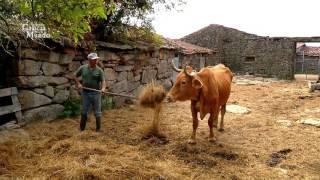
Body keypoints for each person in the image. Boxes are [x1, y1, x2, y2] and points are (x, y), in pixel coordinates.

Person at [74, 52, 106, 132]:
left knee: (97, 112)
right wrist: (79, 84)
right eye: (93, 60)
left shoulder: (99, 70)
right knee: (84, 111)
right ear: (89, 60)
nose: (95, 61)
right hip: (85, 93)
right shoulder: (83, 68)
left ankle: (98, 130)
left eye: (96, 59)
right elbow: (75, 75)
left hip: (96, 93)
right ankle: (82, 129)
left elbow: (103, 81)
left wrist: (103, 88)